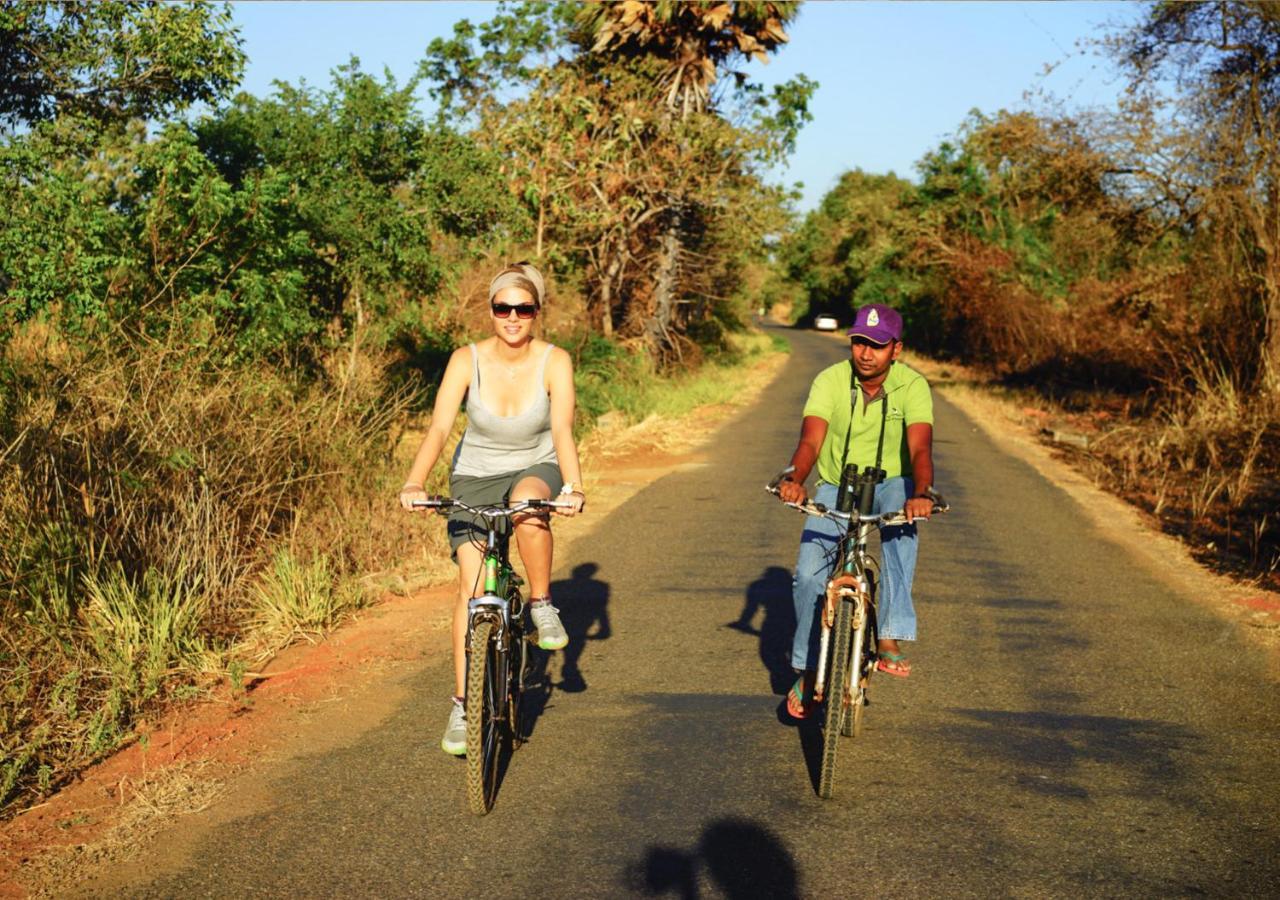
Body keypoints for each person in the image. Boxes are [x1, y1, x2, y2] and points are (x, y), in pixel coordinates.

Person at [399, 262, 586, 754]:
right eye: (504, 307)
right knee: (469, 585)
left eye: (524, 309)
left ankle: (543, 605)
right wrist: (415, 481)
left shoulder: (555, 361)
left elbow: (563, 430)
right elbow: (440, 428)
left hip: (535, 467)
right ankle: (462, 705)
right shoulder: (467, 360)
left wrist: (574, 486)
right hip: (474, 476)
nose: (513, 317)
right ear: (490, 311)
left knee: (528, 507)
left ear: (537, 313)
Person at [774, 303, 935, 719]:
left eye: (877, 345)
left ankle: (890, 633)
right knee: (808, 574)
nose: (866, 353)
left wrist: (923, 492)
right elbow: (810, 442)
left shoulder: (913, 386)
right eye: (860, 342)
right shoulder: (829, 380)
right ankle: (810, 668)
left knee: (903, 523)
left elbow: (920, 448)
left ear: (896, 350)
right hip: (834, 484)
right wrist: (796, 478)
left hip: (891, 485)